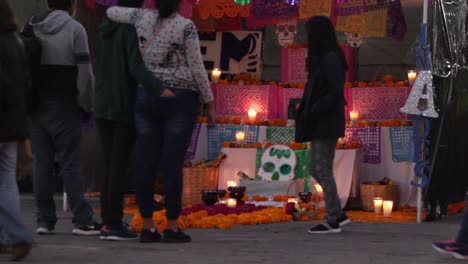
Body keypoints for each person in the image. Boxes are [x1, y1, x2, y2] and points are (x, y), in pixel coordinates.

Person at [107, 0, 217, 243]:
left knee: (145, 162)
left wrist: (139, 13)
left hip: (147, 96)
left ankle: (147, 226)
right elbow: (197, 66)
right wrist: (209, 102)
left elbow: (111, 11)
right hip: (180, 98)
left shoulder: (141, 17)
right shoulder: (185, 26)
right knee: (172, 164)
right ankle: (172, 225)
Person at [95, 0, 172, 241]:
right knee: (118, 166)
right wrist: (161, 89)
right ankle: (113, 223)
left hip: (103, 103)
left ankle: (108, 222)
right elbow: (135, 66)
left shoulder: (105, 29)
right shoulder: (129, 30)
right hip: (122, 104)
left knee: (108, 165)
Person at [27, 0, 100, 235]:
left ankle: (44, 220)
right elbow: (85, 74)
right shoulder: (75, 29)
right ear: (71, 5)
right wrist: (86, 104)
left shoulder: (32, 25)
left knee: (42, 163)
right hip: (65, 104)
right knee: (70, 163)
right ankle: (82, 219)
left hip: (35, 105)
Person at [295, 16, 350, 234]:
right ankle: (337, 213)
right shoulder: (323, 57)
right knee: (317, 167)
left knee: (322, 169)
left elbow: (335, 91)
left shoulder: (330, 58)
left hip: (326, 121)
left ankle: (332, 219)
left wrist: (316, 107)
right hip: (322, 120)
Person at [0, 0, 33, 260]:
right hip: (12, 124)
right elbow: (25, 85)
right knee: (7, 182)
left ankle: (18, 235)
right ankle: (7, 236)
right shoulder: (17, 42)